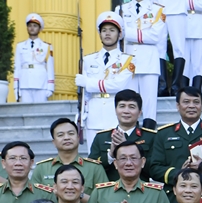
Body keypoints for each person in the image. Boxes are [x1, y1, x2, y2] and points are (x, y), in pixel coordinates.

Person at [76, 12, 135, 152]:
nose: (107, 33)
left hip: (115, 114)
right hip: (94, 114)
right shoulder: (88, 60)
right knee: (94, 157)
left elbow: (118, 85)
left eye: (112, 30)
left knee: (116, 156)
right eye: (104, 30)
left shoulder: (128, 60)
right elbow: (85, 94)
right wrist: (82, 113)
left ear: (120, 34)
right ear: (100, 34)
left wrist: (88, 83)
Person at [148, 86, 202, 194]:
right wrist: (179, 174)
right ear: (178, 106)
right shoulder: (163, 134)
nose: (191, 106)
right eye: (186, 102)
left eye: (196, 102)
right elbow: (154, 168)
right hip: (175, 196)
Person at [86, 141, 172, 203]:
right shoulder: (100, 192)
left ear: (142, 162)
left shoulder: (156, 194)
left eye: (133, 158)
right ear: (115, 163)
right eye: (123, 158)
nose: (128, 163)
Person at [87, 90, 156, 182]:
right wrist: (110, 155)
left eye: (131, 107)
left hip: (141, 191)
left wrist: (126, 146)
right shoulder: (101, 137)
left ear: (139, 113)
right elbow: (91, 170)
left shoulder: (151, 137)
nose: (126, 111)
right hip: (109, 192)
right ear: (115, 110)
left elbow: (154, 169)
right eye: (122, 106)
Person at [118, 0, 166, 129]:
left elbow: (155, 36)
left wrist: (127, 32)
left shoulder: (157, 9)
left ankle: (149, 134)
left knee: (149, 105)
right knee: (129, 101)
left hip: (149, 60)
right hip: (127, 60)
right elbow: (115, 34)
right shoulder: (121, 9)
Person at [30, 119, 109, 194]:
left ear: (78, 138)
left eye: (71, 133)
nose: (66, 138)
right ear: (54, 142)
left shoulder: (94, 168)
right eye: (60, 135)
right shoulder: (42, 169)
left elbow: (104, 201)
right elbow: (33, 199)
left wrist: (77, 195)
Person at [13, 14, 54, 103]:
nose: (32, 28)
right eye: (30, 26)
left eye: (35, 26)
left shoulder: (46, 46)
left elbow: (50, 67)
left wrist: (50, 87)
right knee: (25, 112)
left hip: (41, 83)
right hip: (24, 83)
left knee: (41, 111)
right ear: (27, 28)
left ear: (39, 29)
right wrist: (16, 87)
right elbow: (17, 67)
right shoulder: (20, 46)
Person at [183, 0, 202, 91]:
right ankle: (183, 91)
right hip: (183, 25)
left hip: (198, 27)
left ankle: (197, 91)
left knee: (198, 64)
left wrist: (185, 4)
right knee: (184, 64)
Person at [163, 0, 189, 93]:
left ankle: (176, 86)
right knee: (160, 50)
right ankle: (162, 87)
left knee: (179, 48)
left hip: (177, 9)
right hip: (158, 9)